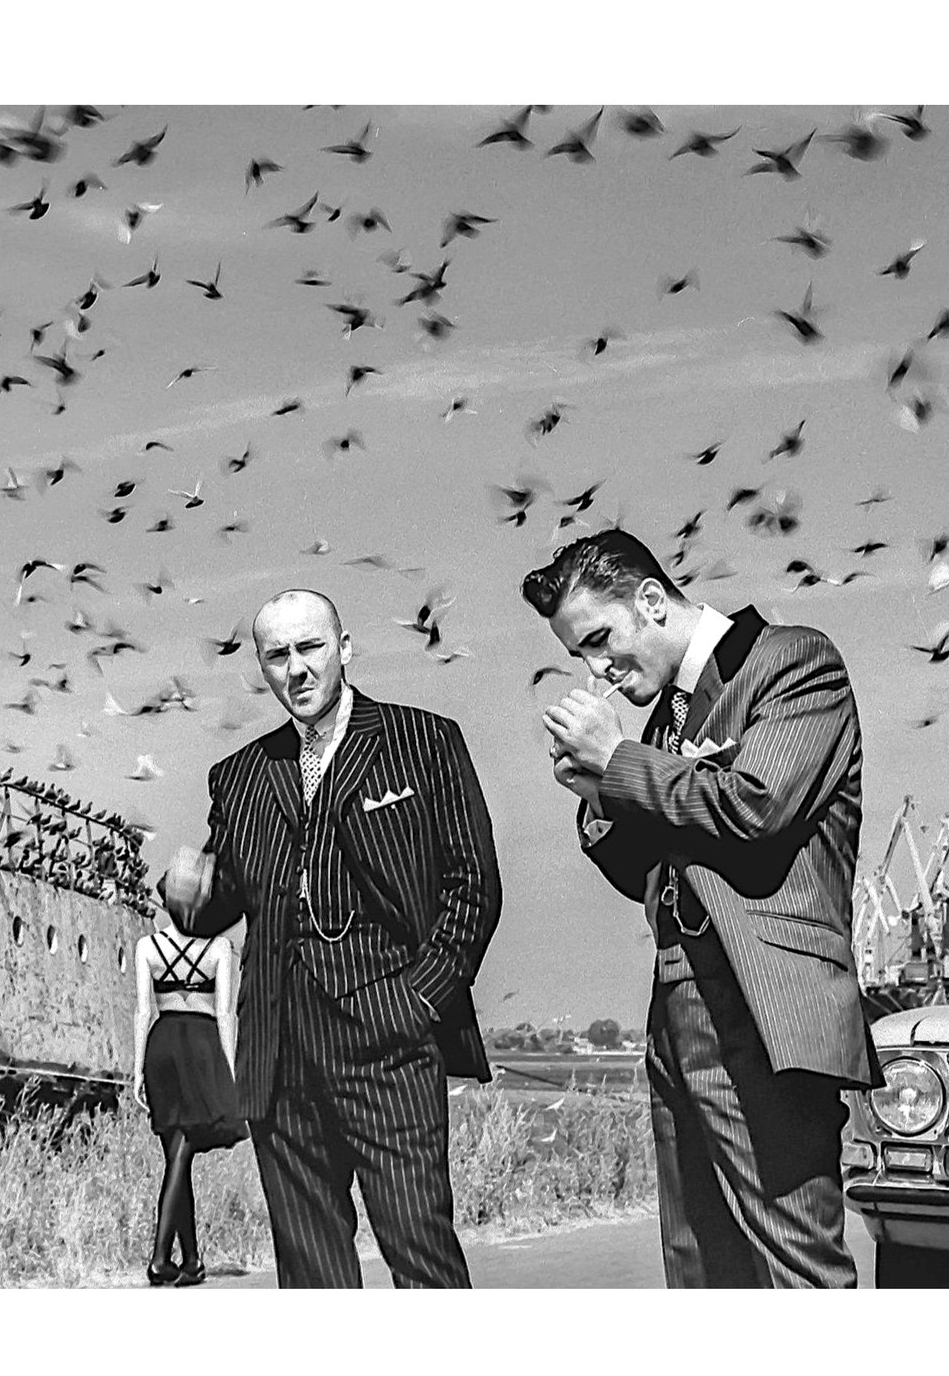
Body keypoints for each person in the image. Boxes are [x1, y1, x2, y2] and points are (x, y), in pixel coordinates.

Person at [523, 529, 876, 1289]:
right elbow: (652, 872)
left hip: (764, 1008)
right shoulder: (662, 722)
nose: (597, 670)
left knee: (794, 1266)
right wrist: (598, 797)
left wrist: (619, 762)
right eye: (579, 655)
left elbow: (757, 808)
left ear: (651, 600)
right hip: (676, 1006)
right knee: (702, 1267)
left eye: (599, 640)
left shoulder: (790, 661)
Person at [159, 589, 501, 1289]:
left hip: (390, 1044)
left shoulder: (425, 741)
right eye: (277, 655)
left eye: (310, 648)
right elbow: (218, 911)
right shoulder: (240, 777)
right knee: (312, 1276)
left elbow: (473, 888)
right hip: (278, 1058)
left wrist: (416, 1003)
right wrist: (188, 894)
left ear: (344, 648)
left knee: (420, 1250)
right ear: (261, 666)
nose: (296, 669)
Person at [129, 912, 244, 1287]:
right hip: (201, 1046)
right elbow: (225, 1014)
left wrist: (137, 1070)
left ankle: (192, 1260)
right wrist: (229, 1071)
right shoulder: (219, 948)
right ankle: (160, 1258)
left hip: (161, 1047)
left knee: (176, 1153)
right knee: (181, 1154)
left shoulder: (148, 946)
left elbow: (144, 1010)